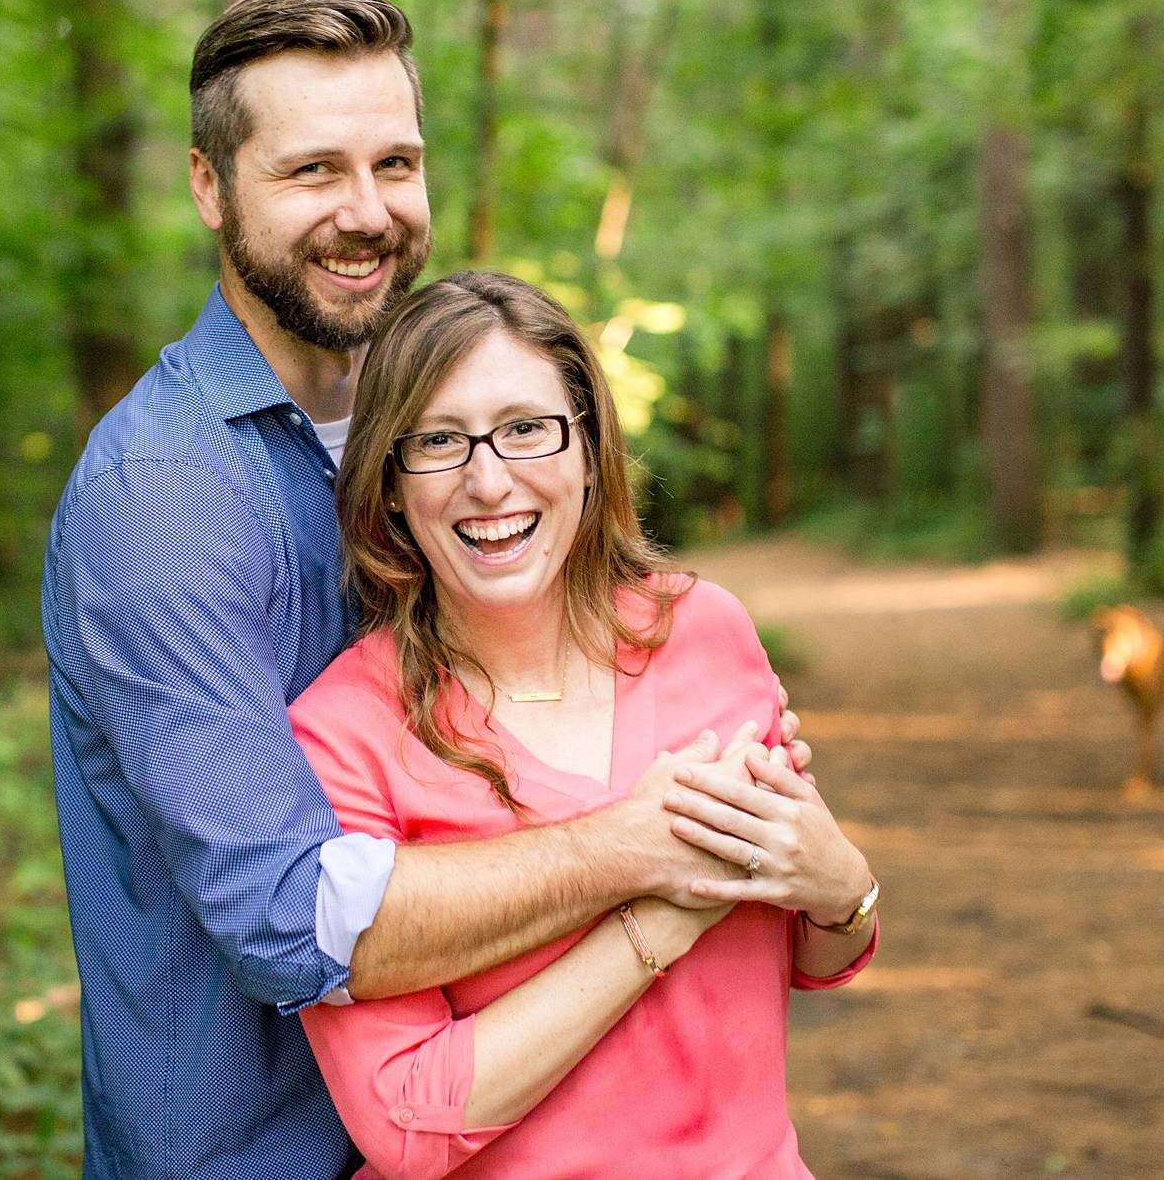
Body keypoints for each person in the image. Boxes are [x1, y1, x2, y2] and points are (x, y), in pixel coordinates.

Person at [41, 0, 807, 1179]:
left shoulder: (405, 438)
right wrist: (651, 843)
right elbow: (294, 918)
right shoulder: (167, 495)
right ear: (208, 185)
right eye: (310, 172)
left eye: (393, 162)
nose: (365, 213)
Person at [292, 270, 880, 1179]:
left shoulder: (704, 629)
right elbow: (406, 1119)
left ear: (589, 448)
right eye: (440, 441)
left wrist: (843, 886)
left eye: (527, 428)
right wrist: (655, 917)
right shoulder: (344, 732)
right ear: (392, 482)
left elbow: (809, 951)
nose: (490, 480)